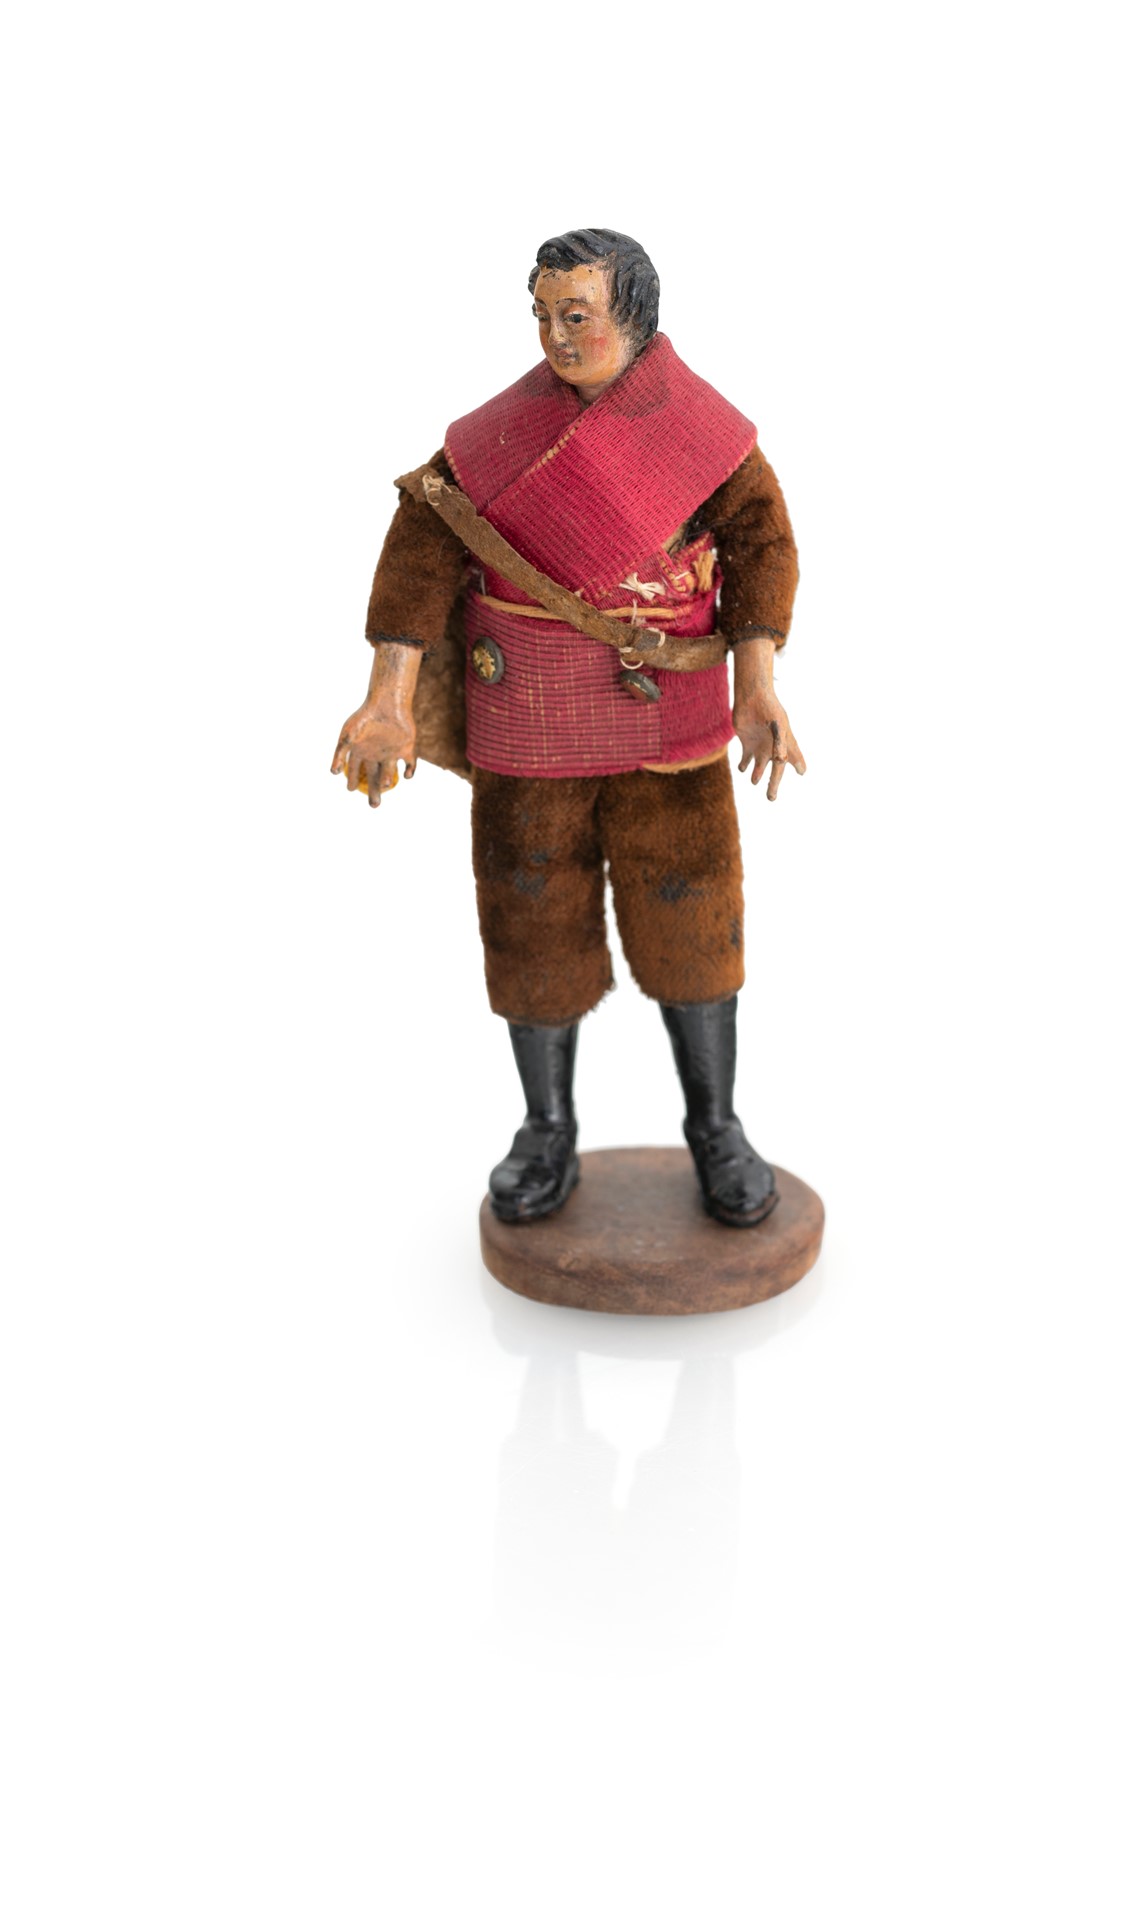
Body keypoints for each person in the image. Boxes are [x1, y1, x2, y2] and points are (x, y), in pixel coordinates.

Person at [331, 229, 803, 1228]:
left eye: (574, 314)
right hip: (527, 718)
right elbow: (422, 543)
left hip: (668, 722)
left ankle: (715, 1124)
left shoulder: (704, 437)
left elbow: (761, 544)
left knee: (693, 917)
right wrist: (387, 694)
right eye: (542, 314)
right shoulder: (495, 437)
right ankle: (545, 1126)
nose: (554, 334)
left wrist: (757, 680)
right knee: (527, 917)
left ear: (633, 315)